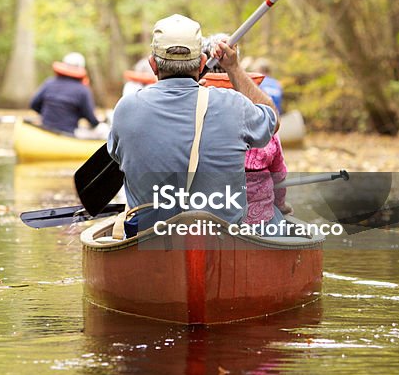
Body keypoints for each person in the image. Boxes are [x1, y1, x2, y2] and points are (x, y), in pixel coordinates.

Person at [108, 15, 278, 233]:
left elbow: (116, 156)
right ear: (201, 64)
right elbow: (273, 119)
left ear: (153, 65)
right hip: (222, 242)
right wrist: (234, 68)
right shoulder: (235, 105)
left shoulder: (126, 109)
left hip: (152, 243)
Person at [202, 36, 292, 226]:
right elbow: (279, 174)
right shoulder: (262, 120)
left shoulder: (193, 115)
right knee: (278, 215)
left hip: (209, 219)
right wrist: (281, 205)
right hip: (258, 221)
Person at [29, 52, 101, 136]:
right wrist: (98, 122)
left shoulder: (49, 83)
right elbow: (90, 118)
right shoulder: (82, 90)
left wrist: (47, 113)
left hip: (45, 129)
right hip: (67, 133)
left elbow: (33, 104)